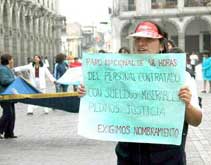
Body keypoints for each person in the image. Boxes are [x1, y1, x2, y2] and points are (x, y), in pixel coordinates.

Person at [78, 21, 202, 164]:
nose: (141, 44)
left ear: (162, 45)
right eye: (137, 39)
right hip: (128, 156)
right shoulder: (120, 75)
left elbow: (196, 120)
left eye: (148, 39)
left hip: (167, 159)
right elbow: (103, 102)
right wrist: (89, 93)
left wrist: (187, 105)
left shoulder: (181, 76)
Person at [0, 54, 17, 139]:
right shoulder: (2, 69)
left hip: (9, 94)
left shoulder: (7, 69)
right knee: (8, 114)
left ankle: (9, 133)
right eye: (12, 59)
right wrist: (15, 79)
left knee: (12, 114)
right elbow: (4, 81)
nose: (13, 61)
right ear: (8, 60)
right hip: (4, 94)